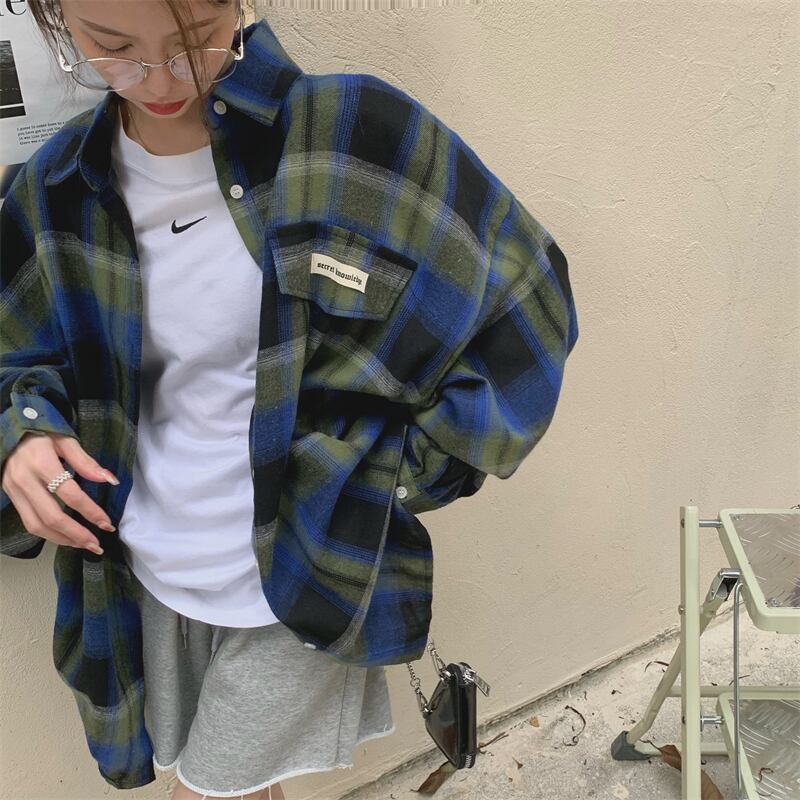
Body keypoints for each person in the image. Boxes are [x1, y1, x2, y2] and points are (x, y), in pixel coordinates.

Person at [0, 0, 579, 798]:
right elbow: (17, 355)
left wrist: (393, 478)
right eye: (114, 46)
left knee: (210, 792)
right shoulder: (57, 187)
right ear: (60, 23)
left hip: (307, 565)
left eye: (193, 41)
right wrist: (24, 435)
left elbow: (526, 308)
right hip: (146, 566)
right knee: (238, 784)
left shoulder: (351, 135)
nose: (162, 79)